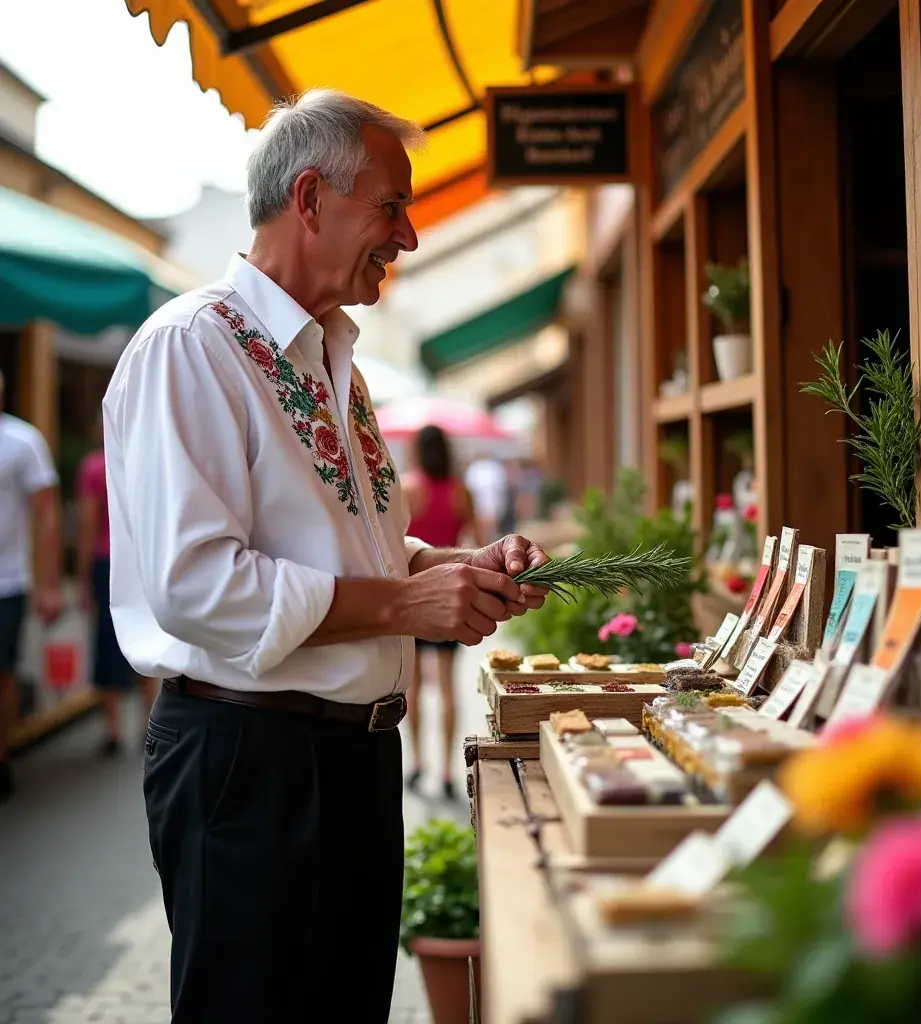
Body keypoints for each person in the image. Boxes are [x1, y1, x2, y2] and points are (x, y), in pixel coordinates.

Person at [103, 89, 548, 1024]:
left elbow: (360, 545)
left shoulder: (330, 357)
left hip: (346, 758)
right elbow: (196, 588)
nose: (411, 236)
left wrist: (446, 567)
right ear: (310, 199)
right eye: (393, 205)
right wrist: (403, 607)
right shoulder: (191, 347)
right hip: (250, 761)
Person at [402, 424, 483, 799]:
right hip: (450, 597)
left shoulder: (409, 488)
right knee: (449, 685)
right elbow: (479, 544)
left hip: (414, 597)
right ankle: (449, 770)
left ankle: (418, 763)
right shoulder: (461, 491)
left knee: (414, 684)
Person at [75, 423, 158, 756]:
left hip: (105, 563)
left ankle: (112, 732)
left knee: (107, 644)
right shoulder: (144, 462)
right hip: (140, 562)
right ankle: (146, 726)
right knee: (144, 638)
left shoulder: (94, 467)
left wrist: (82, 578)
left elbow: (86, 525)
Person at [0, 370, 62, 802]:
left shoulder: (22, 442)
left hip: (6, 581)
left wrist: (49, 584)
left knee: (2, 675)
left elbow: (47, 514)